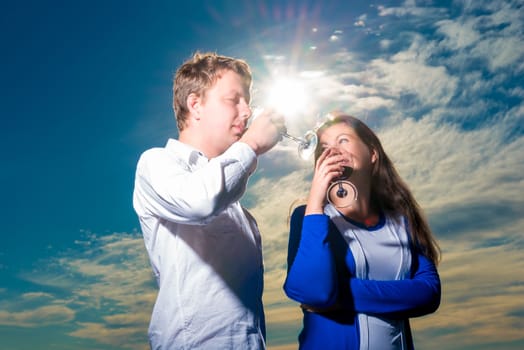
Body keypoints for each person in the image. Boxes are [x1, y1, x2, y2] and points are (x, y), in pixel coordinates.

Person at [133, 52, 285, 349]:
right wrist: (251, 143)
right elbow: (199, 201)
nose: (247, 111)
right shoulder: (156, 163)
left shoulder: (240, 210)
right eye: (233, 100)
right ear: (195, 104)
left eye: (248, 101)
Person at [283, 113, 441, 349]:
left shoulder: (402, 222)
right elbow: (314, 292)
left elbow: (428, 293)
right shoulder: (308, 217)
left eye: (343, 140)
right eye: (324, 147)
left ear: (373, 154)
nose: (332, 151)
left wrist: (337, 296)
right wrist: (315, 200)